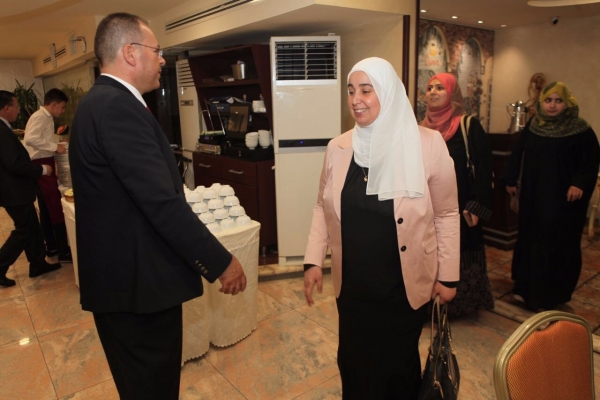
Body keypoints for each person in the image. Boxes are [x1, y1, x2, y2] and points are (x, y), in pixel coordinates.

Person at [69, 13, 247, 400]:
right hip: (138, 291)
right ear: (130, 53)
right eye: (157, 50)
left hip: (125, 285)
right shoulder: (116, 108)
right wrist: (221, 262)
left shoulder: (100, 103)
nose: (163, 59)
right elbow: (162, 204)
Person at [303, 57, 460, 399]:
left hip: (402, 287)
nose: (355, 99)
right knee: (354, 363)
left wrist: (448, 276)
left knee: (395, 369)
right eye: (351, 91)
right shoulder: (338, 147)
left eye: (366, 90)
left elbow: (447, 213)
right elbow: (321, 206)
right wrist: (314, 259)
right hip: (354, 287)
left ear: (388, 93)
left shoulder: (428, 145)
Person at [502, 81, 600, 311]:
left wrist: (579, 183)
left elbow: (591, 160)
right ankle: (524, 290)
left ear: (567, 103)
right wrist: (510, 179)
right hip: (534, 196)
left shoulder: (580, 129)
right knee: (530, 239)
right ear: (541, 102)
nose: (552, 105)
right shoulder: (535, 125)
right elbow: (518, 152)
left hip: (563, 200)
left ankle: (549, 296)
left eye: (558, 101)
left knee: (554, 242)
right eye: (548, 100)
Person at [421, 72, 494, 318]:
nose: (433, 92)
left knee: (461, 250)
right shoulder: (420, 129)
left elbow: (484, 168)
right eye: (430, 88)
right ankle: (429, 305)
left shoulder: (468, 126)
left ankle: (461, 307)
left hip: (462, 206)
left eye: (440, 88)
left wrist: (477, 206)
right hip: (429, 206)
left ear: (452, 93)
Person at [0, 90, 61, 287]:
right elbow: (14, 163)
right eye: (16, 106)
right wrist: (41, 169)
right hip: (12, 190)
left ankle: (37, 263)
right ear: (6, 108)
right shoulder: (1, 130)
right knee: (24, 229)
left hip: (16, 189)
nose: (18, 110)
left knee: (32, 227)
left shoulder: (5, 127)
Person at [23, 88, 72, 263]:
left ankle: (52, 246)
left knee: (46, 207)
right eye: (63, 107)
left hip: (43, 161)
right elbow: (30, 139)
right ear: (54, 104)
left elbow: (41, 139)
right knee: (54, 206)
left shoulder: (46, 117)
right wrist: (54, 147)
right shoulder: (41, 117)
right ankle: (63, 251)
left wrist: (57, 142)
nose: (63, 111)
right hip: (41, 163)